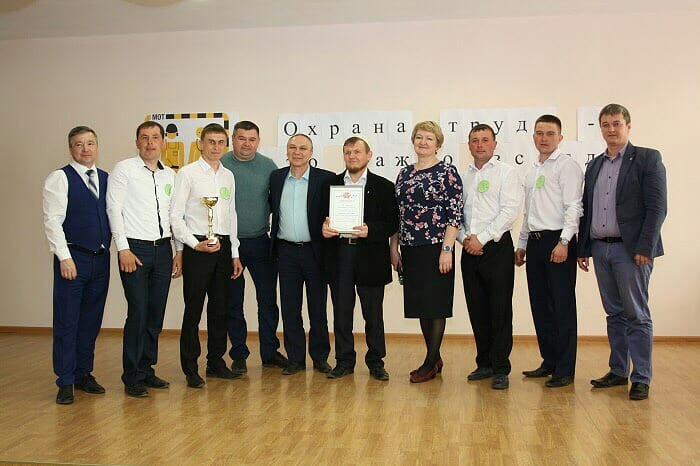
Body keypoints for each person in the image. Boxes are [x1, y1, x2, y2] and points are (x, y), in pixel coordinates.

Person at [577, 104, 667, 401]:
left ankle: (641, 377)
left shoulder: (647, 158)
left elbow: (657, 208)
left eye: (616, 123)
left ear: (628, 125)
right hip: (600, 248)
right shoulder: (595, 166)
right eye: (606, 124)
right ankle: (618, 371)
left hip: (631, 252)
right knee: (614, 314)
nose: (611, 129)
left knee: (636, 315)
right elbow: (587, 209)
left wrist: (645, 247)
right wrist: (583, 248)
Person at [106, 121, 182, 398]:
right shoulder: (124, 170)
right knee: (138, 312)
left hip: (163, 250)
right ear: (137, 142)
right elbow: (113, 209)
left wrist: (178, 250)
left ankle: (147, 369)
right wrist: (123, 249)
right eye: (145, 138)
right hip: (134, 250)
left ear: (164, 142)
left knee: (155, 313)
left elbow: (174, 216)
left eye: (155, 137)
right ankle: (132, 376)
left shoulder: (170, 176)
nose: (150, 142)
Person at [170, 123, 243, 388]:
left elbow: (231, 215)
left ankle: (216, 362)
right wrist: (192, 244)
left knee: (220, 309)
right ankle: (190, 368)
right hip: (197, 248)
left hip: (222, 247)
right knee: (193, 309)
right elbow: (175, 217)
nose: (215, 147)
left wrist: (234, 253)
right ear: (200, 144)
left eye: (220, 142)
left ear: (226, 145)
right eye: (210, 142)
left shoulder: (228, 176)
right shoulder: (187, 174)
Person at [390, 121, 463, 383]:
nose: (423, 142)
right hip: (410, 249)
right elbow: (398, 214)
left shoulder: (447, 172)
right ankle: (435, 356)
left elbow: (455, 215)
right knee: (421, 305)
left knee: (436, 306)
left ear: (438, 144)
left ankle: (430, 362)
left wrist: (447, 250)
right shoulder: (404, 174)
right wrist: (394, 247)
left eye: (429, 138)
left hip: (436, 248)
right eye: (419, 137)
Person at [321, 137, 399, 381]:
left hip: (371, 256)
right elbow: (319, 218)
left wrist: (370, 230)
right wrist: (323, 229)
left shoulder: (384, 186)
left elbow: (393, 223)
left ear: (369, 155)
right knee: (342, 313)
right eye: (348, 152)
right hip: (340, 255)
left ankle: (376, 362)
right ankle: (344, 361)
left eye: (357, 152)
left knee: (373, 315)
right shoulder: (330, 185)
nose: (352, 156)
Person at [43, 126, 111, 404]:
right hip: (74, 258)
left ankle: (84, 373)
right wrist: (64, 257)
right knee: (67, 320)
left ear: (97, 146)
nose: (85, 149)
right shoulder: (60, 178)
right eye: (79, 144)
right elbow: (52, 221)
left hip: (101, 259)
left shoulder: (105, 178)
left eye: (90, 143)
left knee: (91, 321)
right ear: (71, 148)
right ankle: (65, 380)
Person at [515, 115, 583, 388]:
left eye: (550, 133)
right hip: (535, 242)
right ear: (533, 136)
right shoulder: (533, 171)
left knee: (562, 307)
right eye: (539, 133)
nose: (544, 138)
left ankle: (565, 369)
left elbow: (574, 207)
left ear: (560, 138)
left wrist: (564, 241)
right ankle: (550, 361)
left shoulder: (567, 166)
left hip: (558, 241)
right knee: (540, 305)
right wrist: (522, 244)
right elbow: (529, 211)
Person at [221, 120, 288, 374]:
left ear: (258, 141)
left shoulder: (268, 166)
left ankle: (270, 352)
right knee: (233, 302)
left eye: (251, 139)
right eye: (241, 138)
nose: (246, 144)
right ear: (233, 139)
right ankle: (239, 354)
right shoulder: (221, 164)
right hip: (230, 245)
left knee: (268, 300)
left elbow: (276, 202)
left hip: (261, 242)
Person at [458, 124, 521, 390]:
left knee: (499, 309)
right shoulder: (462, 177)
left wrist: (481, 239)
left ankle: (500, 367)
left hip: (496, 248)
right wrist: (465, 239)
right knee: (477, 308)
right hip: (469, 249)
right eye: (475, 140)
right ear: (469, 145)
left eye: (485, 140)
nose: (480, 145)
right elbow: (455, 214)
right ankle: (483, 363)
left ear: (494, 144)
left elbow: (510, 211)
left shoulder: (506, 173)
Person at [270, 134, 334, 375]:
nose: (297, 152)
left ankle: (320, 357)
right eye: (292, 147)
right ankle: (295, 359)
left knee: (317, 308)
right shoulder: (276, 178)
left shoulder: (325, 179)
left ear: (311, 152)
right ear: (287, 151)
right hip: (285, 252)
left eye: (303, 148)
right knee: (290, 308)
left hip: (314, 252)